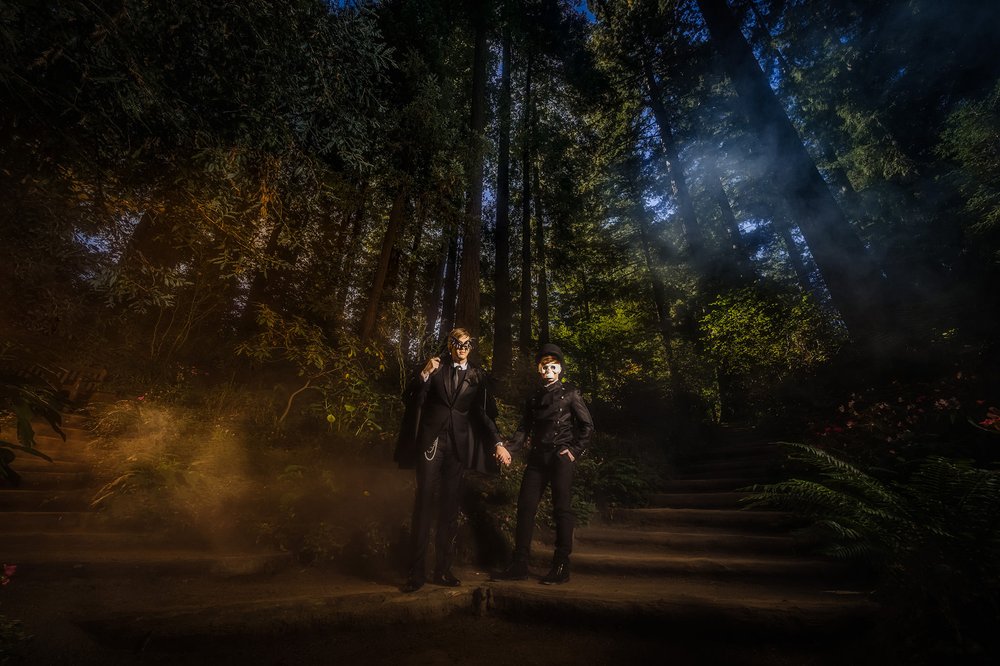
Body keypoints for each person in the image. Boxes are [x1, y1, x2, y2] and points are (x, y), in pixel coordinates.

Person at [393, 327, 503, 593]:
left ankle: (442, 570)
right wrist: (424, 373)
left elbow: (485, 413)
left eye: (467, 343)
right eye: (457, 343)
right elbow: (410, 397)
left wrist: (498, 442)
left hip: (458, 448)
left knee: (450, 508)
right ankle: (416, 573)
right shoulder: (436, 368)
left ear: (471, 347)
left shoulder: (477, 375)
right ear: (450, 345)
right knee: (424, 503)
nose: (462, 347)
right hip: (432, 443)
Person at [493, 343, 594, 585]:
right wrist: (508, 448)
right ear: (539, 370)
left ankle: (561, 565)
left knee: (562, 509)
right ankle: (519, 564)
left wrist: (574, 451)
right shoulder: (534, 398)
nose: (548, 369)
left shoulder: (571, 393)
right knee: (525, 508)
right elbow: (523, 429)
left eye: (552, 366)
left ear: (559, 369)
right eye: (543, 366)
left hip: (560, 457)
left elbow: (587, 426)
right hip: (537, 459)